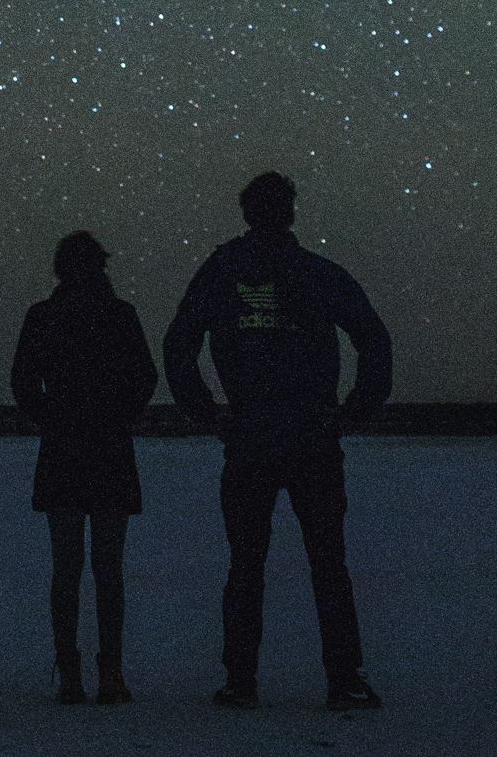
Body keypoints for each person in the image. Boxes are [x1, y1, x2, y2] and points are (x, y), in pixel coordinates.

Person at [163, 171, 393, 713]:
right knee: (315, 563)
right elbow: (372, 338)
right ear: (289, 212)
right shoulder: (304, 272)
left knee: (257, 564)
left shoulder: (231, 272)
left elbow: (180, 345)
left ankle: (247, 680)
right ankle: (335, 678)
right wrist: (354, 411)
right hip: (289, 437)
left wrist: (208, 413)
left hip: (275, 437)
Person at [9, 231, 159, 705]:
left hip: (66, 450)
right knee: (105, 568)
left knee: (68, 568)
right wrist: (116, 414)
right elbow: (144, 377)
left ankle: (74, 672)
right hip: (106, 448)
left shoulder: (45, 316)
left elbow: (23, 381)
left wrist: (54, 415)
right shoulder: (118, 315)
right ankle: (106, 673)